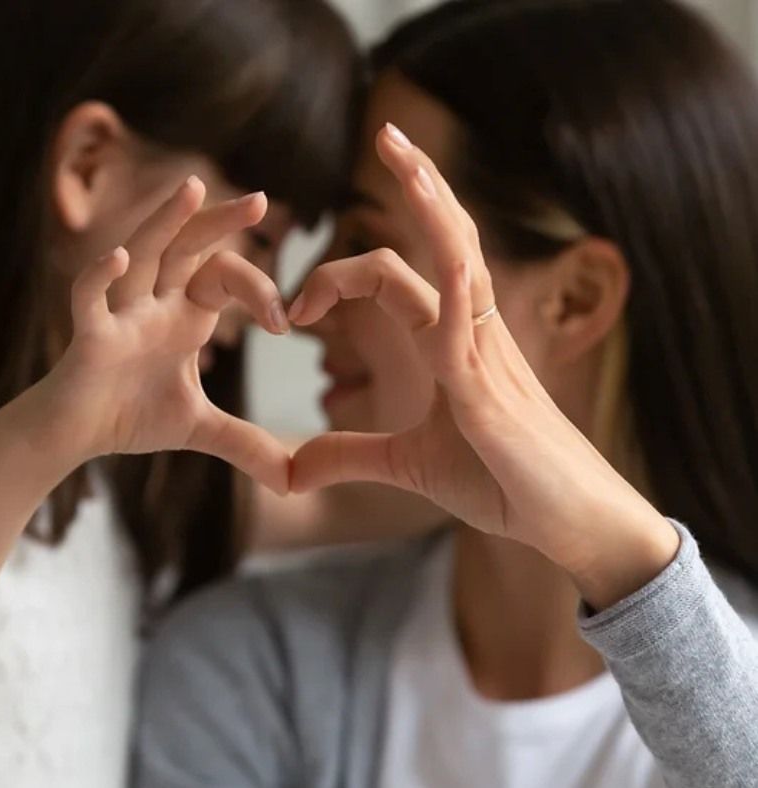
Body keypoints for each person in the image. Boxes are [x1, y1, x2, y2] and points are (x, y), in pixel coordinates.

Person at [131, 1, 758, 786]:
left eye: (364, 240)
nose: (304, 297)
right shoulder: (254, 669)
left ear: (575, 300)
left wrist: (627, 564)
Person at [0, 0, 362, 784]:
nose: (267, 296)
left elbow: (352, 492)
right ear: (86, 165)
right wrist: (41, 436)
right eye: (263, 238)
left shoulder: (128, 492)